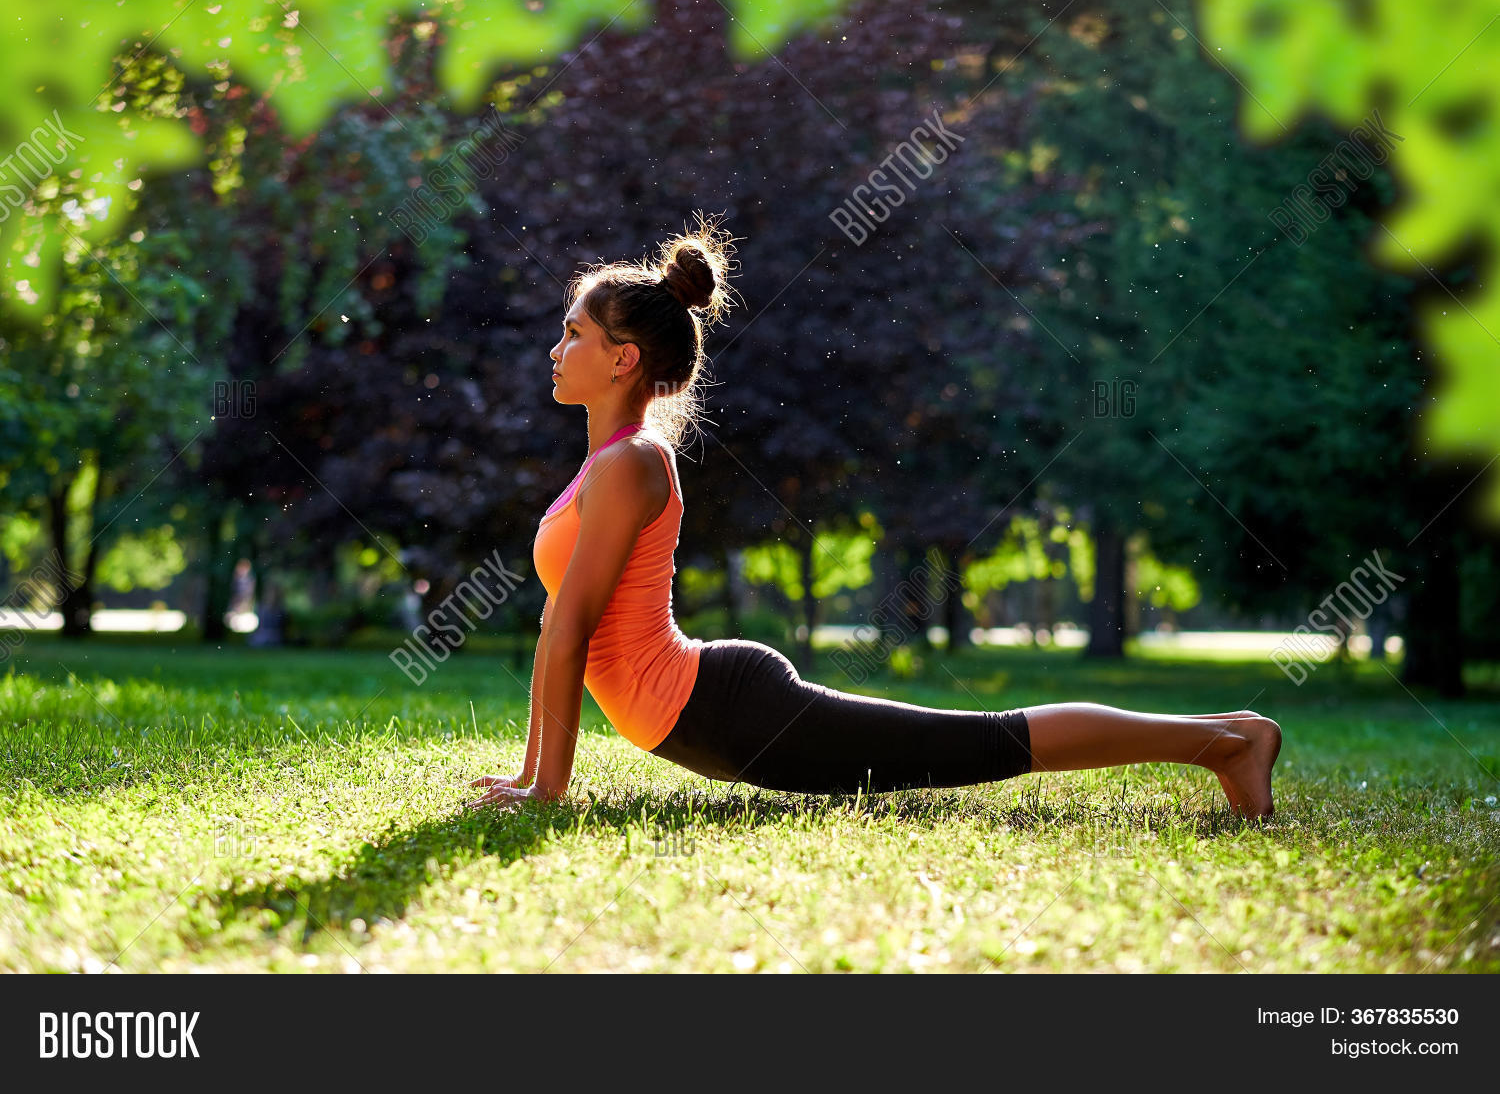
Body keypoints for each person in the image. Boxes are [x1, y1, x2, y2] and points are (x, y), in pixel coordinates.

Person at [467, 217, 1281, 821]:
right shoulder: (605, 466)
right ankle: (1230, 732)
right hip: (707, 711)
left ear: (622, 358)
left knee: (981, 743)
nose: (555, 348)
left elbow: (570, 634)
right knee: (973, 744)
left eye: (572, 333)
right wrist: (530, 777)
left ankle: (1229, 743)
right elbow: (559, 632)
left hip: (726, 710)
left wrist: (545, 791)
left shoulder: (630, 465)